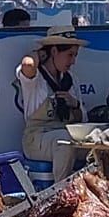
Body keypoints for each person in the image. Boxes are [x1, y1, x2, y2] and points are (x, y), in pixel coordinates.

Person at [15, 28, 84, 182]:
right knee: (65, 141)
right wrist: (38, 54)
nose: (73, 61)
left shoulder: (71, 79)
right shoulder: (36, 79)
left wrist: (75, 104)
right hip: (37, 139)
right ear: (54, 51)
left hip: (67, 133)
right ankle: (61, 195)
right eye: (70, 55)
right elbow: (27, 64)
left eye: (75, 55)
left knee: (105, 143)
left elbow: (81, 118)